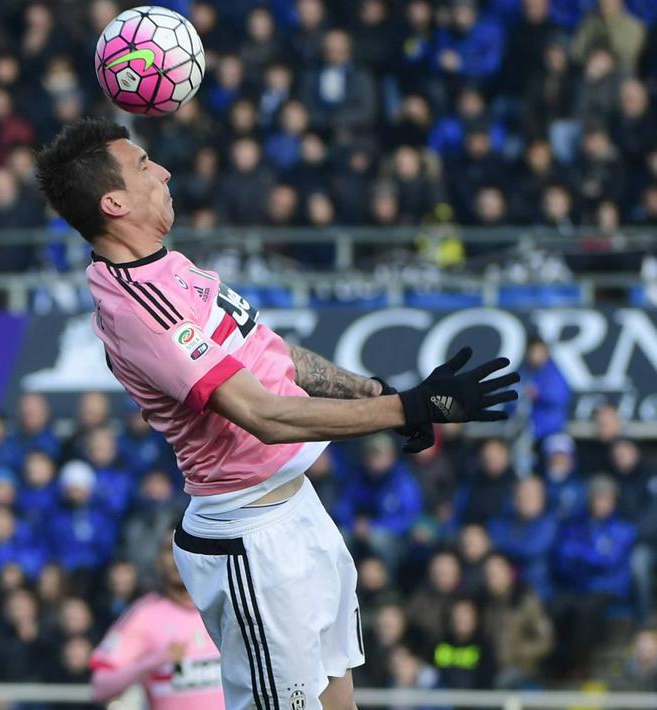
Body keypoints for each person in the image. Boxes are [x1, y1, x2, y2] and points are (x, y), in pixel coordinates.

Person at [35, 118, 517, 710]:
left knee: (338, 695)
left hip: (297, 511)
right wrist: (406, 407)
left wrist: (372, 393)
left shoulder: (169, 268)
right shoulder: (139, 309)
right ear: (114, 202)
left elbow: (272, 353)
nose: (162, 171)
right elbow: (263, 414)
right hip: (250, 539)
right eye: (142, 166)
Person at [91, 542, 225, 708]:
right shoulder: (144, 613)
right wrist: (152, 661)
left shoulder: (228, 604)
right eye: (169, 549)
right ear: (158, 561)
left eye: (185, 547)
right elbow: (100, 686)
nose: (177, 556)